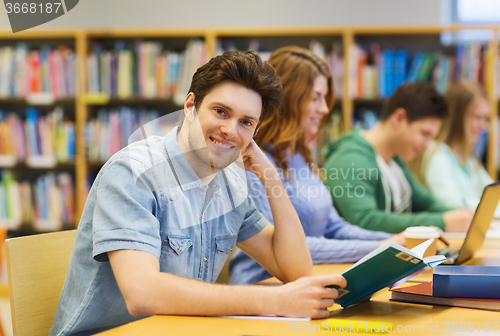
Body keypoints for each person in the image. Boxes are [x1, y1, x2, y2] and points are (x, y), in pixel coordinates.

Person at [49, 51, 347, 336]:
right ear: (190, 105)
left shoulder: (230, 182)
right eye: (221, 111)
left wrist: (270, 176)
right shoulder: (134, 171)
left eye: (246, 122)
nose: (231, 130)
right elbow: (142, 293)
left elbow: (295, 271)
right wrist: (273, 301)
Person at [228, 46, 427, 285]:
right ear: (287, 99)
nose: (324, 109)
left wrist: (394, 239)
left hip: (307, 281)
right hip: (263, 287)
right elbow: (285, 247)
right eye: (315, 98)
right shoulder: (251, 162)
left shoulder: (301, 155)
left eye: (324, 98)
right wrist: (381, 246)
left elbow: (334, 227)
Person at [323, 82, 474, 234]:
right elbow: (365, 221)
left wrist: (465, 217)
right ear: (399, 118)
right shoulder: (350, 159)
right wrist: (442, 222)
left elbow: (424, 202)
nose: (427, 145)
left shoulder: (394, 159)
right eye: (424, 134)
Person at [419, 80, 494, 210]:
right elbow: (450, 202)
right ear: (457, 119)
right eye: (477, 118)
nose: (484, 126)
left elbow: (493, 191)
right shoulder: (437, 155)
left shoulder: (469, 157)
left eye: (485, 118)